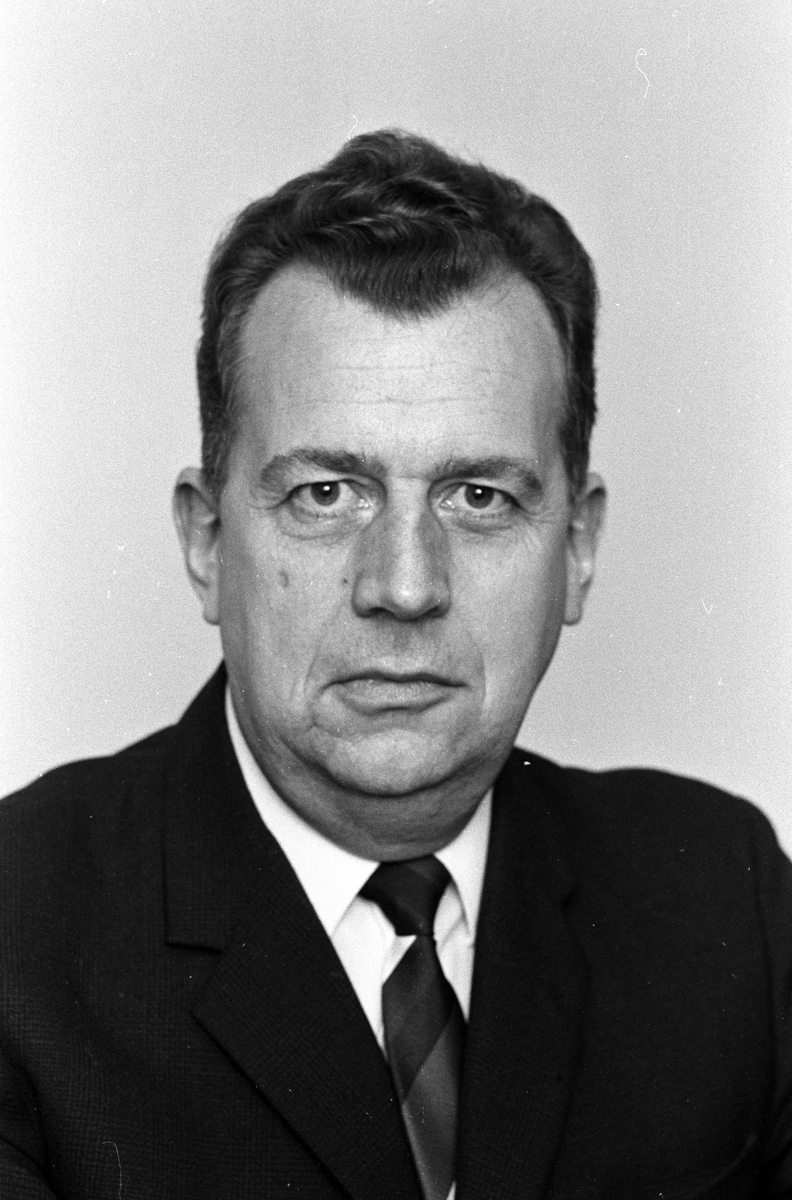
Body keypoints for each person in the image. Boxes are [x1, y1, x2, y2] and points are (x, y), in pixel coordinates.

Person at [1, 130, 790, 1200]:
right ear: (206, 541)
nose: (405, 586)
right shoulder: (20, 935)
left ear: (578, 548)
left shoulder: (723, 900)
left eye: (479, 496)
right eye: (326, 494)